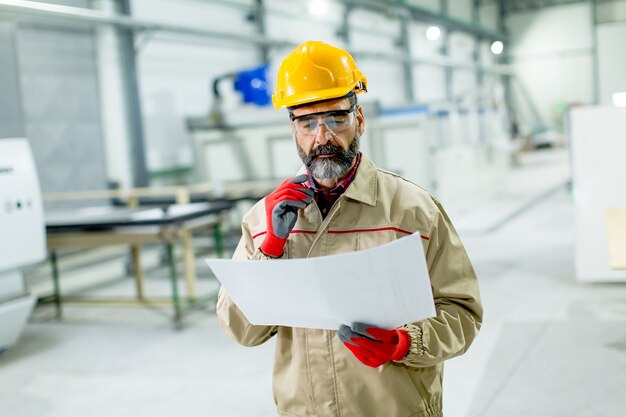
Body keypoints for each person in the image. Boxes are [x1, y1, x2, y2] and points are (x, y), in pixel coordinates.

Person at [216, 40, 483, 417]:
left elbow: (463, 312)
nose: (321, 137)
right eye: (307, 123)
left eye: (335, 119)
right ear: (293, 130)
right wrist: (270, 249)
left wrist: (405, 343)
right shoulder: (265, 219)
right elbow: (242, 330)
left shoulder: (413, 210)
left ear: (359, 120)